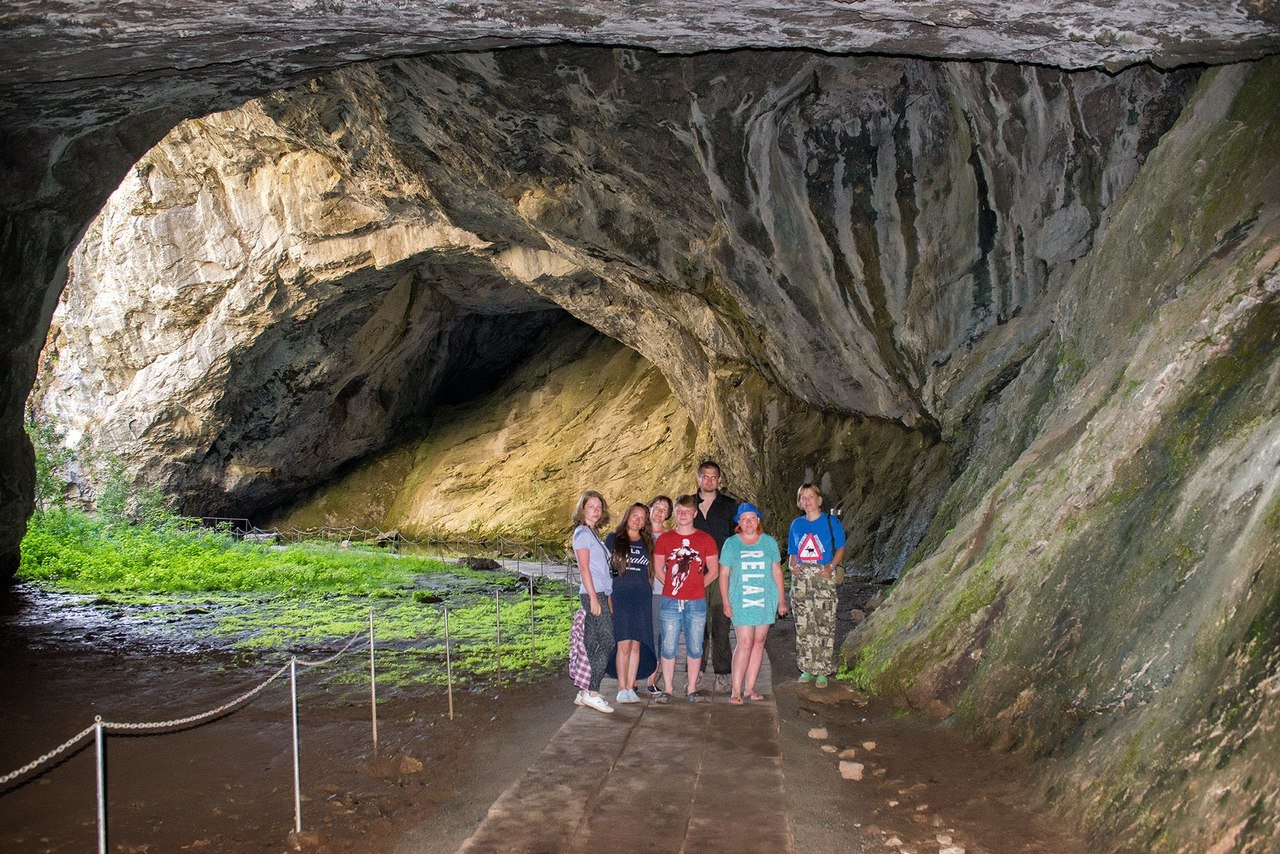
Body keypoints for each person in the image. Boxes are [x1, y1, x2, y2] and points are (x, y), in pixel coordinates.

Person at [718, 502, 788, 703]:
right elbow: (724, 574)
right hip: (741, 599)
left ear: (758, 520)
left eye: (752, 518)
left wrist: (782, 599)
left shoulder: (769, 542)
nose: (748, 522)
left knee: (759, 642)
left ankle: (750, 688)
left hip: (766, 598)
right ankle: (736, 690)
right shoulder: (731, 543)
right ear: (739, 522)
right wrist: (725, 601)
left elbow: (776, 571)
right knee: (745, 641)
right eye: (744, 519)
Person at [653, 494, 720, 703]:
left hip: (696, 601)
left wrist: (696, 587)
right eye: (680, 511)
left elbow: (714, 571)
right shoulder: (665, 538)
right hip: (670, 600)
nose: (683, 515)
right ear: (675, 513)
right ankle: (669, 688)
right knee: (669, 645)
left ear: (695, 513)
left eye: (688, 511)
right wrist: (674, 588)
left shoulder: (705, 539)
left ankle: (691, 688)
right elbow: (658, 569)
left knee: (695, 645)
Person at [787, 483, 846, 688]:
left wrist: (831, 567)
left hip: (823, 575)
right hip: (801, 578)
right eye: (803, 497)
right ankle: (806, 668)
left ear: (819, 500)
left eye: (811, 496)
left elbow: (840, 548)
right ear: (799, 502)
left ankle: (822, 670)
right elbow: (793, 551)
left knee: (824, 623)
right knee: (804, 624)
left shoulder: (831, 522)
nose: (807, 500)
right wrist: (791, 564)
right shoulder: (796, 524)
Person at [691, 460, 738, 692]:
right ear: (698, 478)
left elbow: (737, 537)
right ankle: (696, 671)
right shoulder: (689, 504)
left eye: (713, 477)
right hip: (694, 573)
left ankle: (722, 673)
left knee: (720, 623)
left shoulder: (730, 506)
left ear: (719, 479)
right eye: (705, 476)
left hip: (721, 573)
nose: (709, 481)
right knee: (697, 624)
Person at [604, 503, 658, 704]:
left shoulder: (648, 542)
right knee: (623, 643)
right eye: (635, 515)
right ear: (627, 516)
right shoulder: (614, 539)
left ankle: (631, 687)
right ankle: (621, 688)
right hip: (621, 595)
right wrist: (608, 595)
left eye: (642, 517)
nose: (638, 519)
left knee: (637, 644)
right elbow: (608, 569)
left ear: (645, 522)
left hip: (642, 596)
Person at [571, 490, 615, 713]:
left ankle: (583, 692)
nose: (596, 510)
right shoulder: (582, 534)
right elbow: (584, 568)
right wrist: (594, 599)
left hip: (599, 593)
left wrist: (605, 597)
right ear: (582, 509)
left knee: (591, 643)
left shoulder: (593, 533)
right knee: (608, 642)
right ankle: (593, 692)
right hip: (592, 593)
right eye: (591, 507)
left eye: (599, 507)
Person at [644, 495, 673, 696]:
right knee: (639, 634)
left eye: (664, 509)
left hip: (660, 592)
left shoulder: (670, 537)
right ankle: (635, 675)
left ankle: (651, 678)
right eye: (657, 507)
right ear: (650, 508)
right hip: (639, 592)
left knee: (658, 635)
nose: (660, 511)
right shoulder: (638, 533)